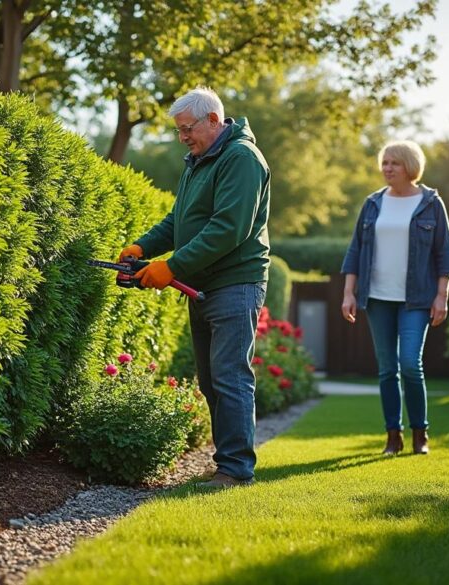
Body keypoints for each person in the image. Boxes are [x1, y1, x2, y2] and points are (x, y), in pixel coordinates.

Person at [117, 87, 270, 488]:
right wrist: (143, 247)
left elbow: (228, 229)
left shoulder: (241, 158)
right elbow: (178, 221)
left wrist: (172, 266)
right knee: (210, 379)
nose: (183, 137)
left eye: (188, 129)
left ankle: (236, 470)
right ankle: (227, 463)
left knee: (230, 376)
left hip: (235, 282)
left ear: (214, 121)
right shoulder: (200, 161)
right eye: (179, 131)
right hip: (203, 285)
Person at [340, 140, 449, 456]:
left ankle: (421, 433)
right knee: (387, 368)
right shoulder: (373, 203)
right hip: (377, 297)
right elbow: (356, 250)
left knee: (409, 364)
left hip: (417, 298)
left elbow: (444, 253)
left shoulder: (431, 203)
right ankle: (393, 435)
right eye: (385, 162)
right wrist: (349, 292)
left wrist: (441, 296)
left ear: (410, 167)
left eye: (395, 163)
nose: (387, 168)